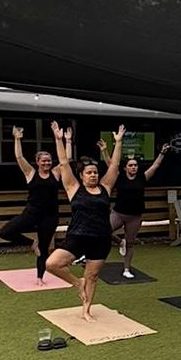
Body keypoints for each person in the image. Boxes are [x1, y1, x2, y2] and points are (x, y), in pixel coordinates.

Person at [44, 121, 123, 321]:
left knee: (92, 276)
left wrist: (118, 142)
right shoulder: (73, 188)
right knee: (52, 264)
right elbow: (63, 163)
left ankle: (86, 310)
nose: (93, 175)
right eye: (89, 173)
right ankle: (77, 283)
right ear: (81, 175)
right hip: (77, 237)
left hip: (101, 238)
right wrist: (58, 138)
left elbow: (114, 166)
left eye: (95, 172)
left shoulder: (105, 187)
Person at [0, 124, 65, 285]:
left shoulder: (55, 173)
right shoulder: (31, 173)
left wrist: (62, 140)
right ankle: (30, 243)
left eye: (49, 161)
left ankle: (40, 277)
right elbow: (20, 158)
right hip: (31, 213)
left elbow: (65, 160)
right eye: (43, 161)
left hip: (50, 216)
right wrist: (17, 139)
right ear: (37, 162)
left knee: (44, 247)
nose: (47, 163)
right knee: (5, 232)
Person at [104, 142, 168, 277]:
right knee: (103, 230)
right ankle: (119, 241)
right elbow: (110, 165)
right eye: (131, 165)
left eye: (135, 165)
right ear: (125, 167)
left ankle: (126, 269)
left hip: (135, 216)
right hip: (118, 213)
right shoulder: (120, 177)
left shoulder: (142, 177)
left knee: (130, 243)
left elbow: (155, 166)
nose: (133, 167)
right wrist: (104, 150)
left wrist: (162, 153)